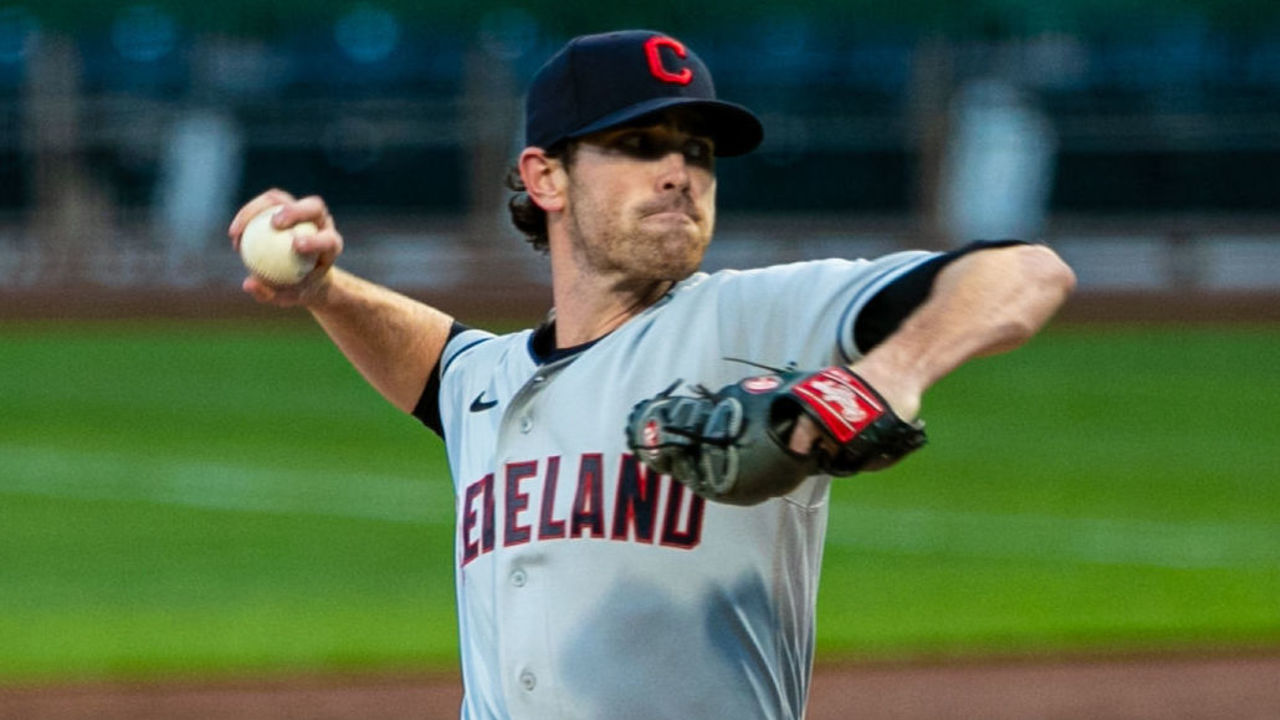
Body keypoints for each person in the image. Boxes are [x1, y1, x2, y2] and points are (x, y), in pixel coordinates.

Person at [229, 29, 1075, 720]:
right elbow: (440, 359)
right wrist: (327, 290)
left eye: (698, 152)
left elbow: (1025, 272)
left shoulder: (754, 318)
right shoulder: (486, 382)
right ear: (544, 176)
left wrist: (884, 376)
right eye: (640, 145)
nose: (681, 172)